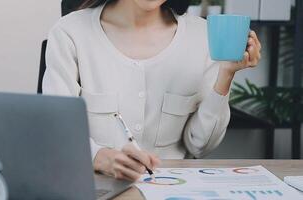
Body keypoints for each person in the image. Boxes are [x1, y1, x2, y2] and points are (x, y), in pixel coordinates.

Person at [42, 0, 262, 181]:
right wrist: (98, 157)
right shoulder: (70, 32)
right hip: (92, 185)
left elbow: (200, 145)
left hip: (173, 186)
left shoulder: (204, 36)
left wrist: (226, 74)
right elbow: (56, 129)